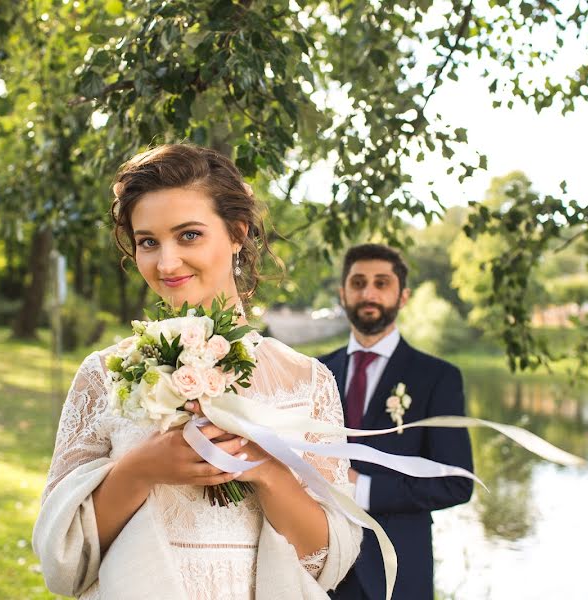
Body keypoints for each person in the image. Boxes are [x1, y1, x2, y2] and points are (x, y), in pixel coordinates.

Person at [32, 144, 362, 599]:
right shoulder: (103, 375)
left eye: (188, 235)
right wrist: (140, 470)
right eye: (148, 241)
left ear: (237, 234)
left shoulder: (307, 381)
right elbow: (63, 559)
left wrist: (268, 471)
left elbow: (327, 562)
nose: (166, 263)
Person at [320, 244, 474, 600]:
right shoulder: (314, 371)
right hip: (320, 566)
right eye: (357, 283)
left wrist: (363, 489)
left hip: (398, 571)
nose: (368, 293)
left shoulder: (437, 377)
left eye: (381, 283)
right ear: (343, 293)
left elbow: (456, 483)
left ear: (402, 296)